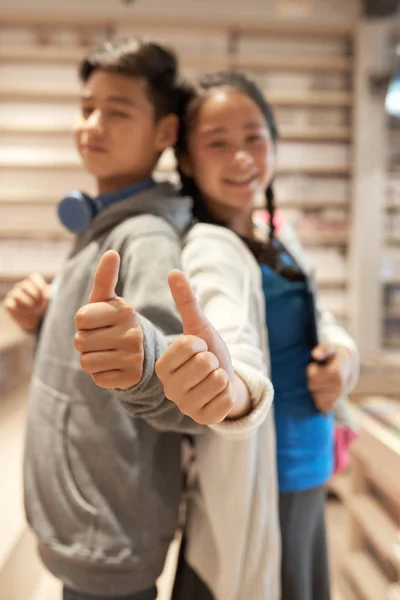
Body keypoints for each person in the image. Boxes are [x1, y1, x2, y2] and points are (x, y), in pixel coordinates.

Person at [3, 38, 242, 600]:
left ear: (164, 133)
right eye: (87, 107)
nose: (93, 124)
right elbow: (100, 363)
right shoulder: (110, 223)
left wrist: (148, 357)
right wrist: (46, 323)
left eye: (118, 111)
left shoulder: (145, 237)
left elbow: (168, 384)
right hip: (92, 520)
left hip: (107, 526)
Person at [155, 71, 360, 600]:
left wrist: (341, 357)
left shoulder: (273, 233)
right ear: (185, 160)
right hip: (270, 478)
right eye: (217, 144)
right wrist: (232, 388)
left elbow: (320, 319)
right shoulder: (211, 248)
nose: (242, 157)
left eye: (254, 137)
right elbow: (230, 335)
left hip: (307, 465)